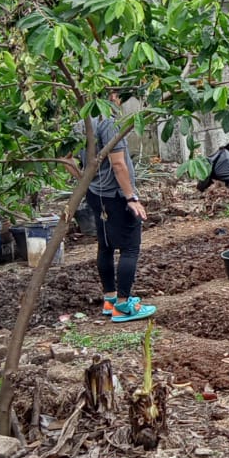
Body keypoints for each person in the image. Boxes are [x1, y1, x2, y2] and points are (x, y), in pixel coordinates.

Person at [83, 93, 154, 323]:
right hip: (115, 196)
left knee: (105, 246)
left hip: (95, 194)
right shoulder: (109, 121)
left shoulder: (81, 120)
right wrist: (131, 197)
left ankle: (110, 299)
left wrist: (86, 180)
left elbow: (66, 158)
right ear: (112, 95)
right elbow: (119, 164)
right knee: (130, 248)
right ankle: (123, 306)